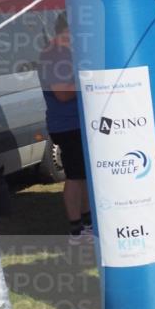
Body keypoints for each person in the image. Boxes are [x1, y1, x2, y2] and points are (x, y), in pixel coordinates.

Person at [38, 13, 92, 245]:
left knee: (82, 175)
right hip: (67, 124)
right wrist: (87, 80)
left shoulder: (62, 53)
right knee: (75, 176)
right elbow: (62, 93)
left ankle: (87, 225)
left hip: (72, 122)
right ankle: (76, 230)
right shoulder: (54, 54)